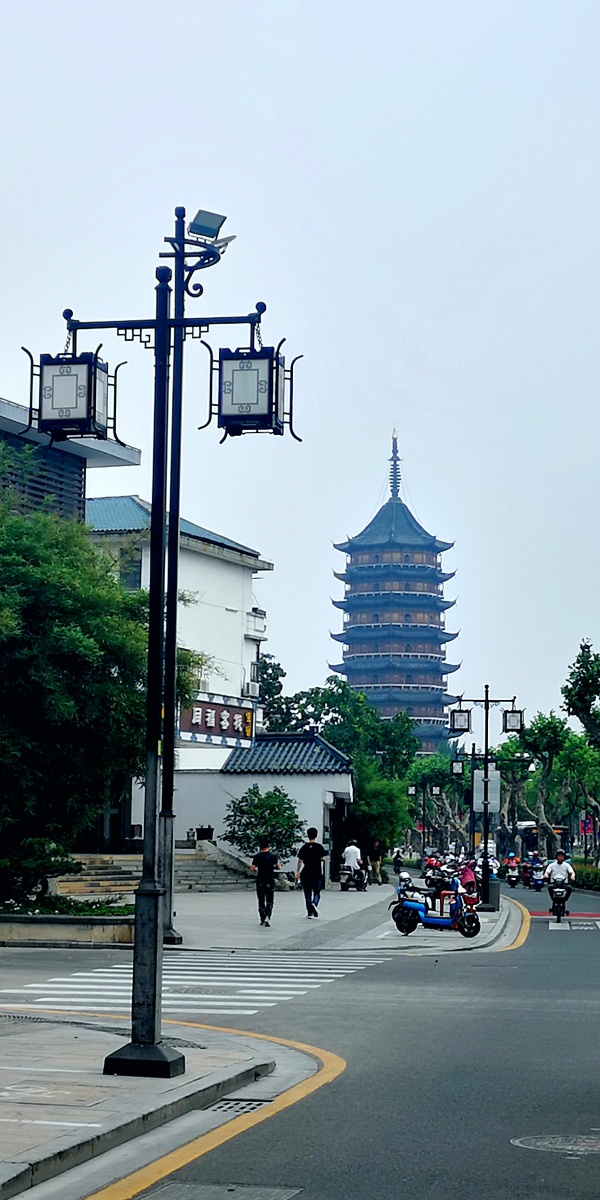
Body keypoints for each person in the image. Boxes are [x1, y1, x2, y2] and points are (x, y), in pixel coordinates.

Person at [296, 827, 327, 918]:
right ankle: (314, 903)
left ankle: (309, 912)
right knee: (317, 891)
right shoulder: (319, 847)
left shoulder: (304, 847)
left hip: (306, 872)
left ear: (308, 835)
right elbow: (324, 859)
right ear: (316, 835)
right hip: (317, 872)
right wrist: (318, 858)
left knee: (307, 892)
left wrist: (297, 871)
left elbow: (300, 861)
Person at [250, 837, 281, 927]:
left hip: (260, 880)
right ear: (268, 845)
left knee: (261, 900)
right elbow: (279, 867)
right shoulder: (273, 856)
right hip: (270, 880)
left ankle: (262, 918)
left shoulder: (257, 856)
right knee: (270, 900)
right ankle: (268, 916)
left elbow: (252, 868)